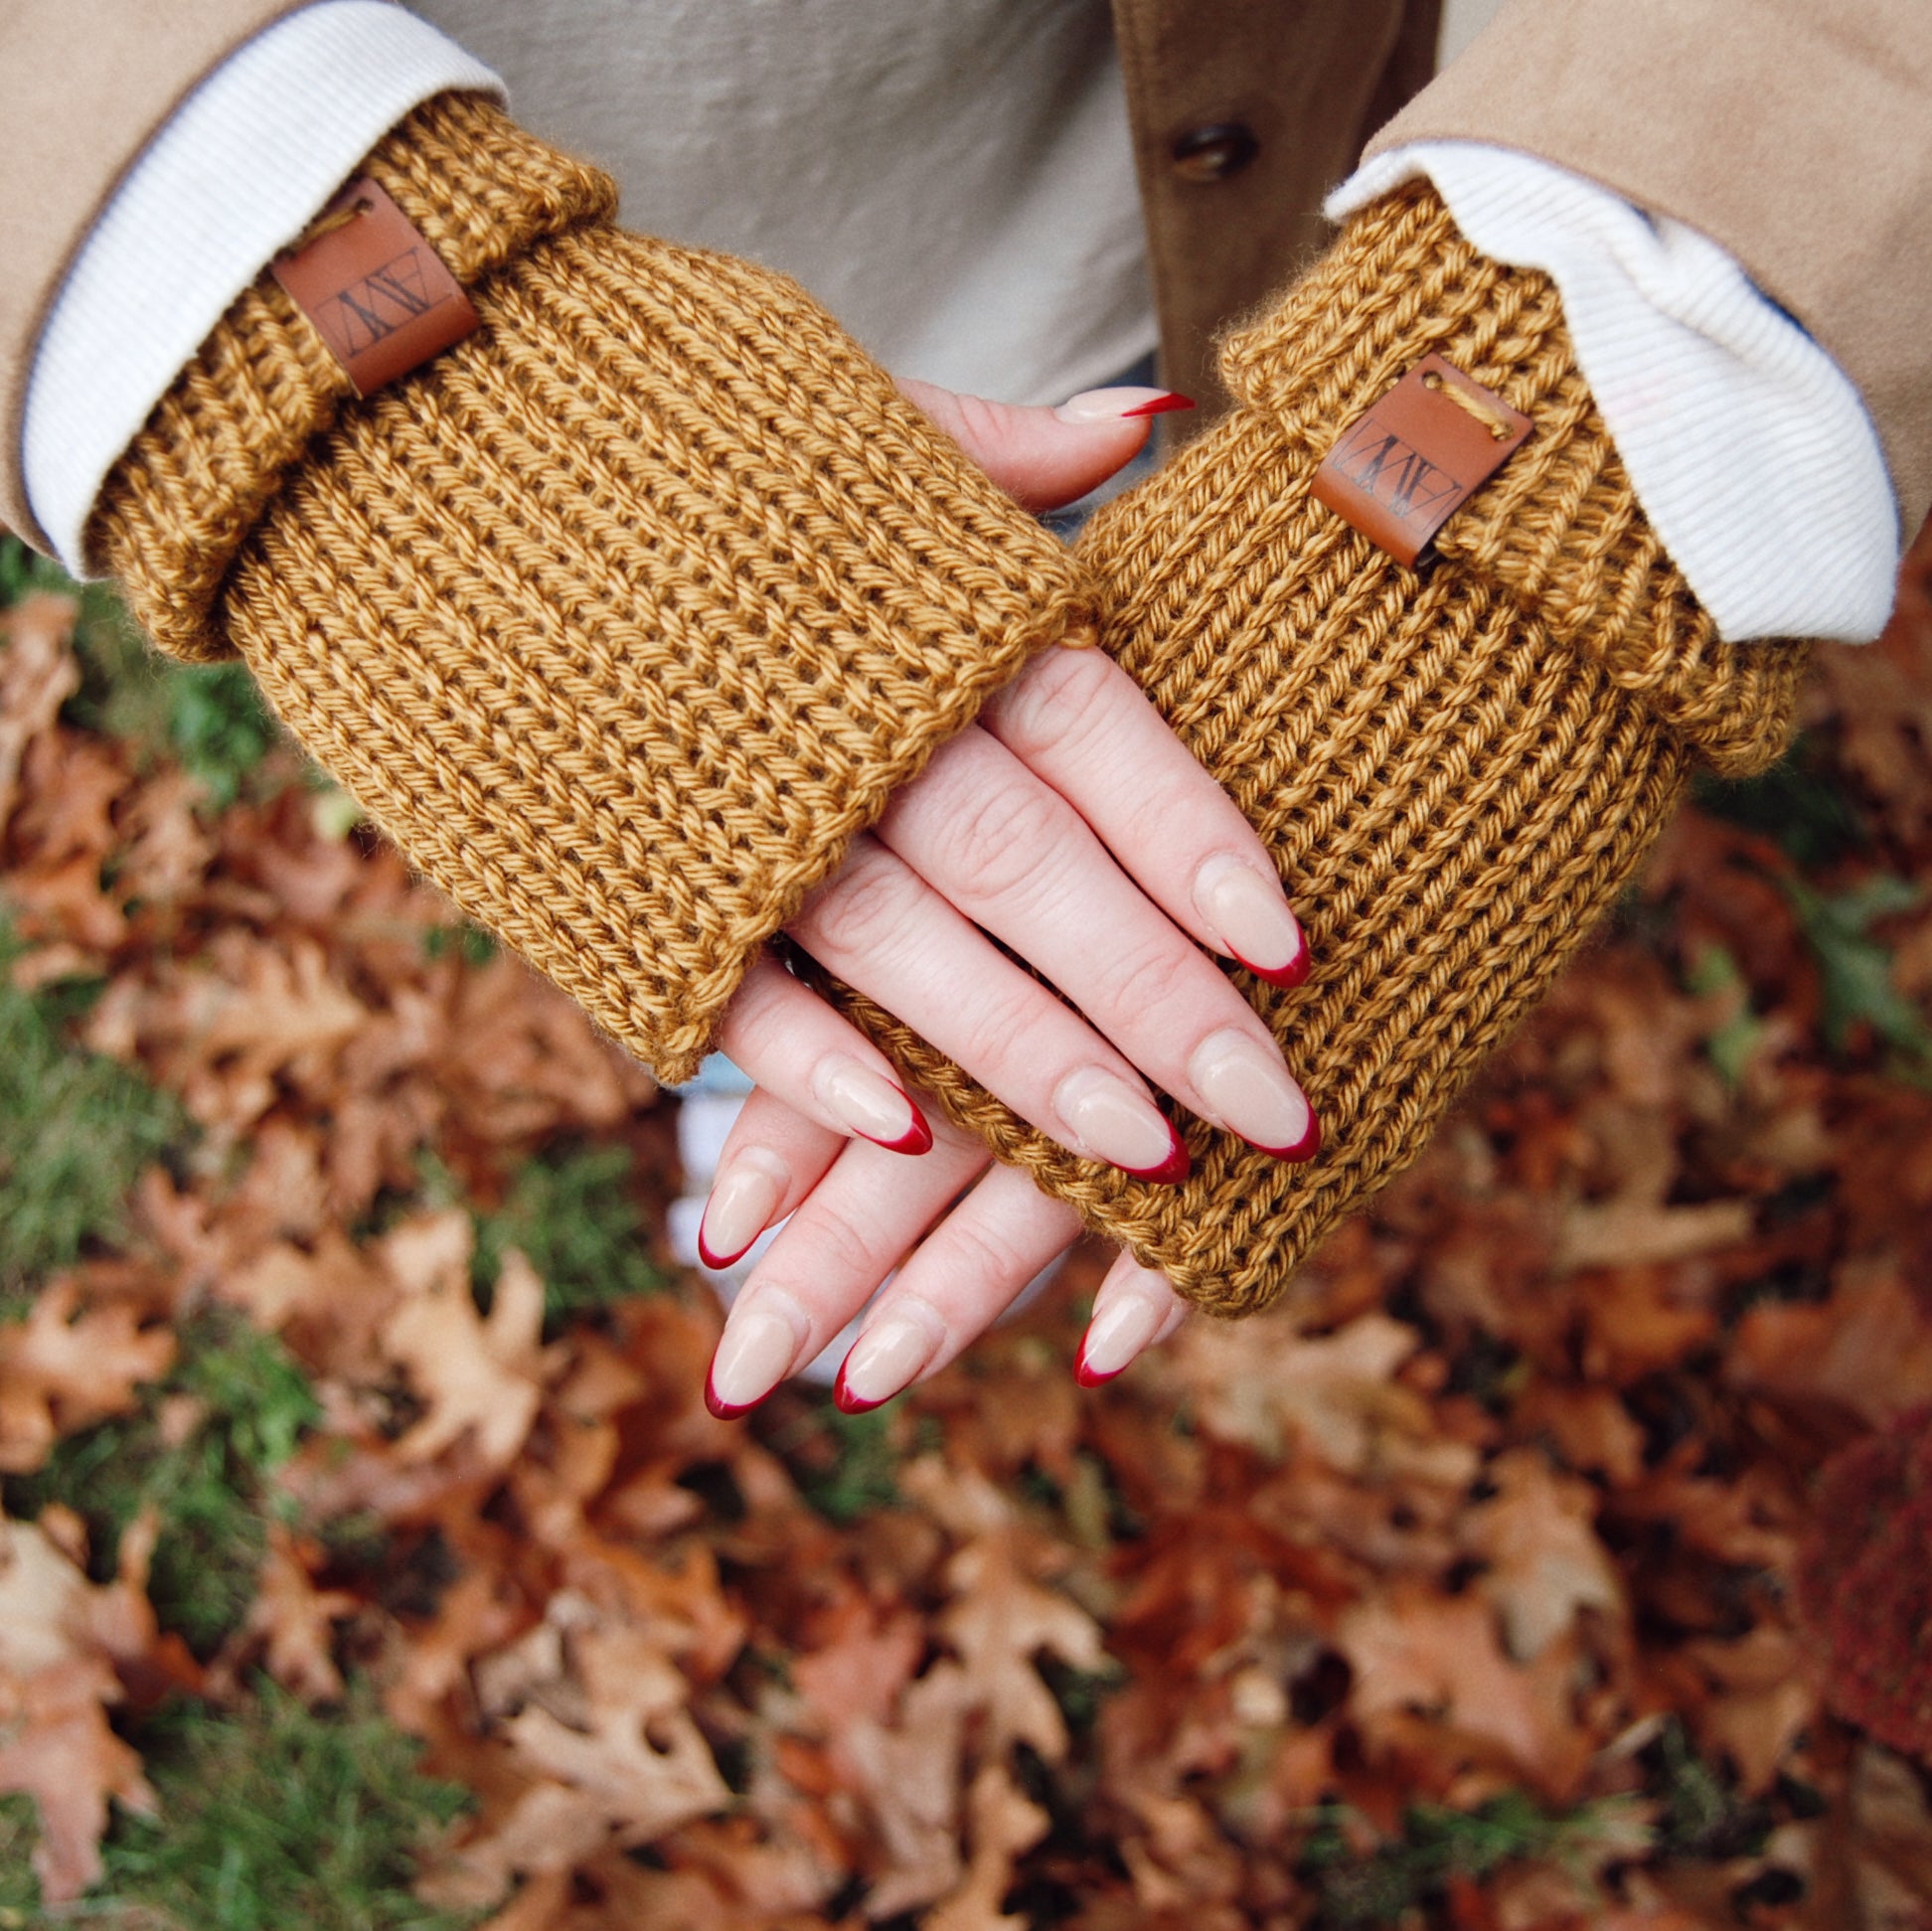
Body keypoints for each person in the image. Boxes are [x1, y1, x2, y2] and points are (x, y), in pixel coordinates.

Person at [2, 2, 1923, 1418]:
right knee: (768, 842)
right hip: (532, 192)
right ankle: (817, 1064)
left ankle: (841, 1064)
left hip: (1235, 166)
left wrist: (1626, 360)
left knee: (1034, 758)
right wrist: (234, 275)